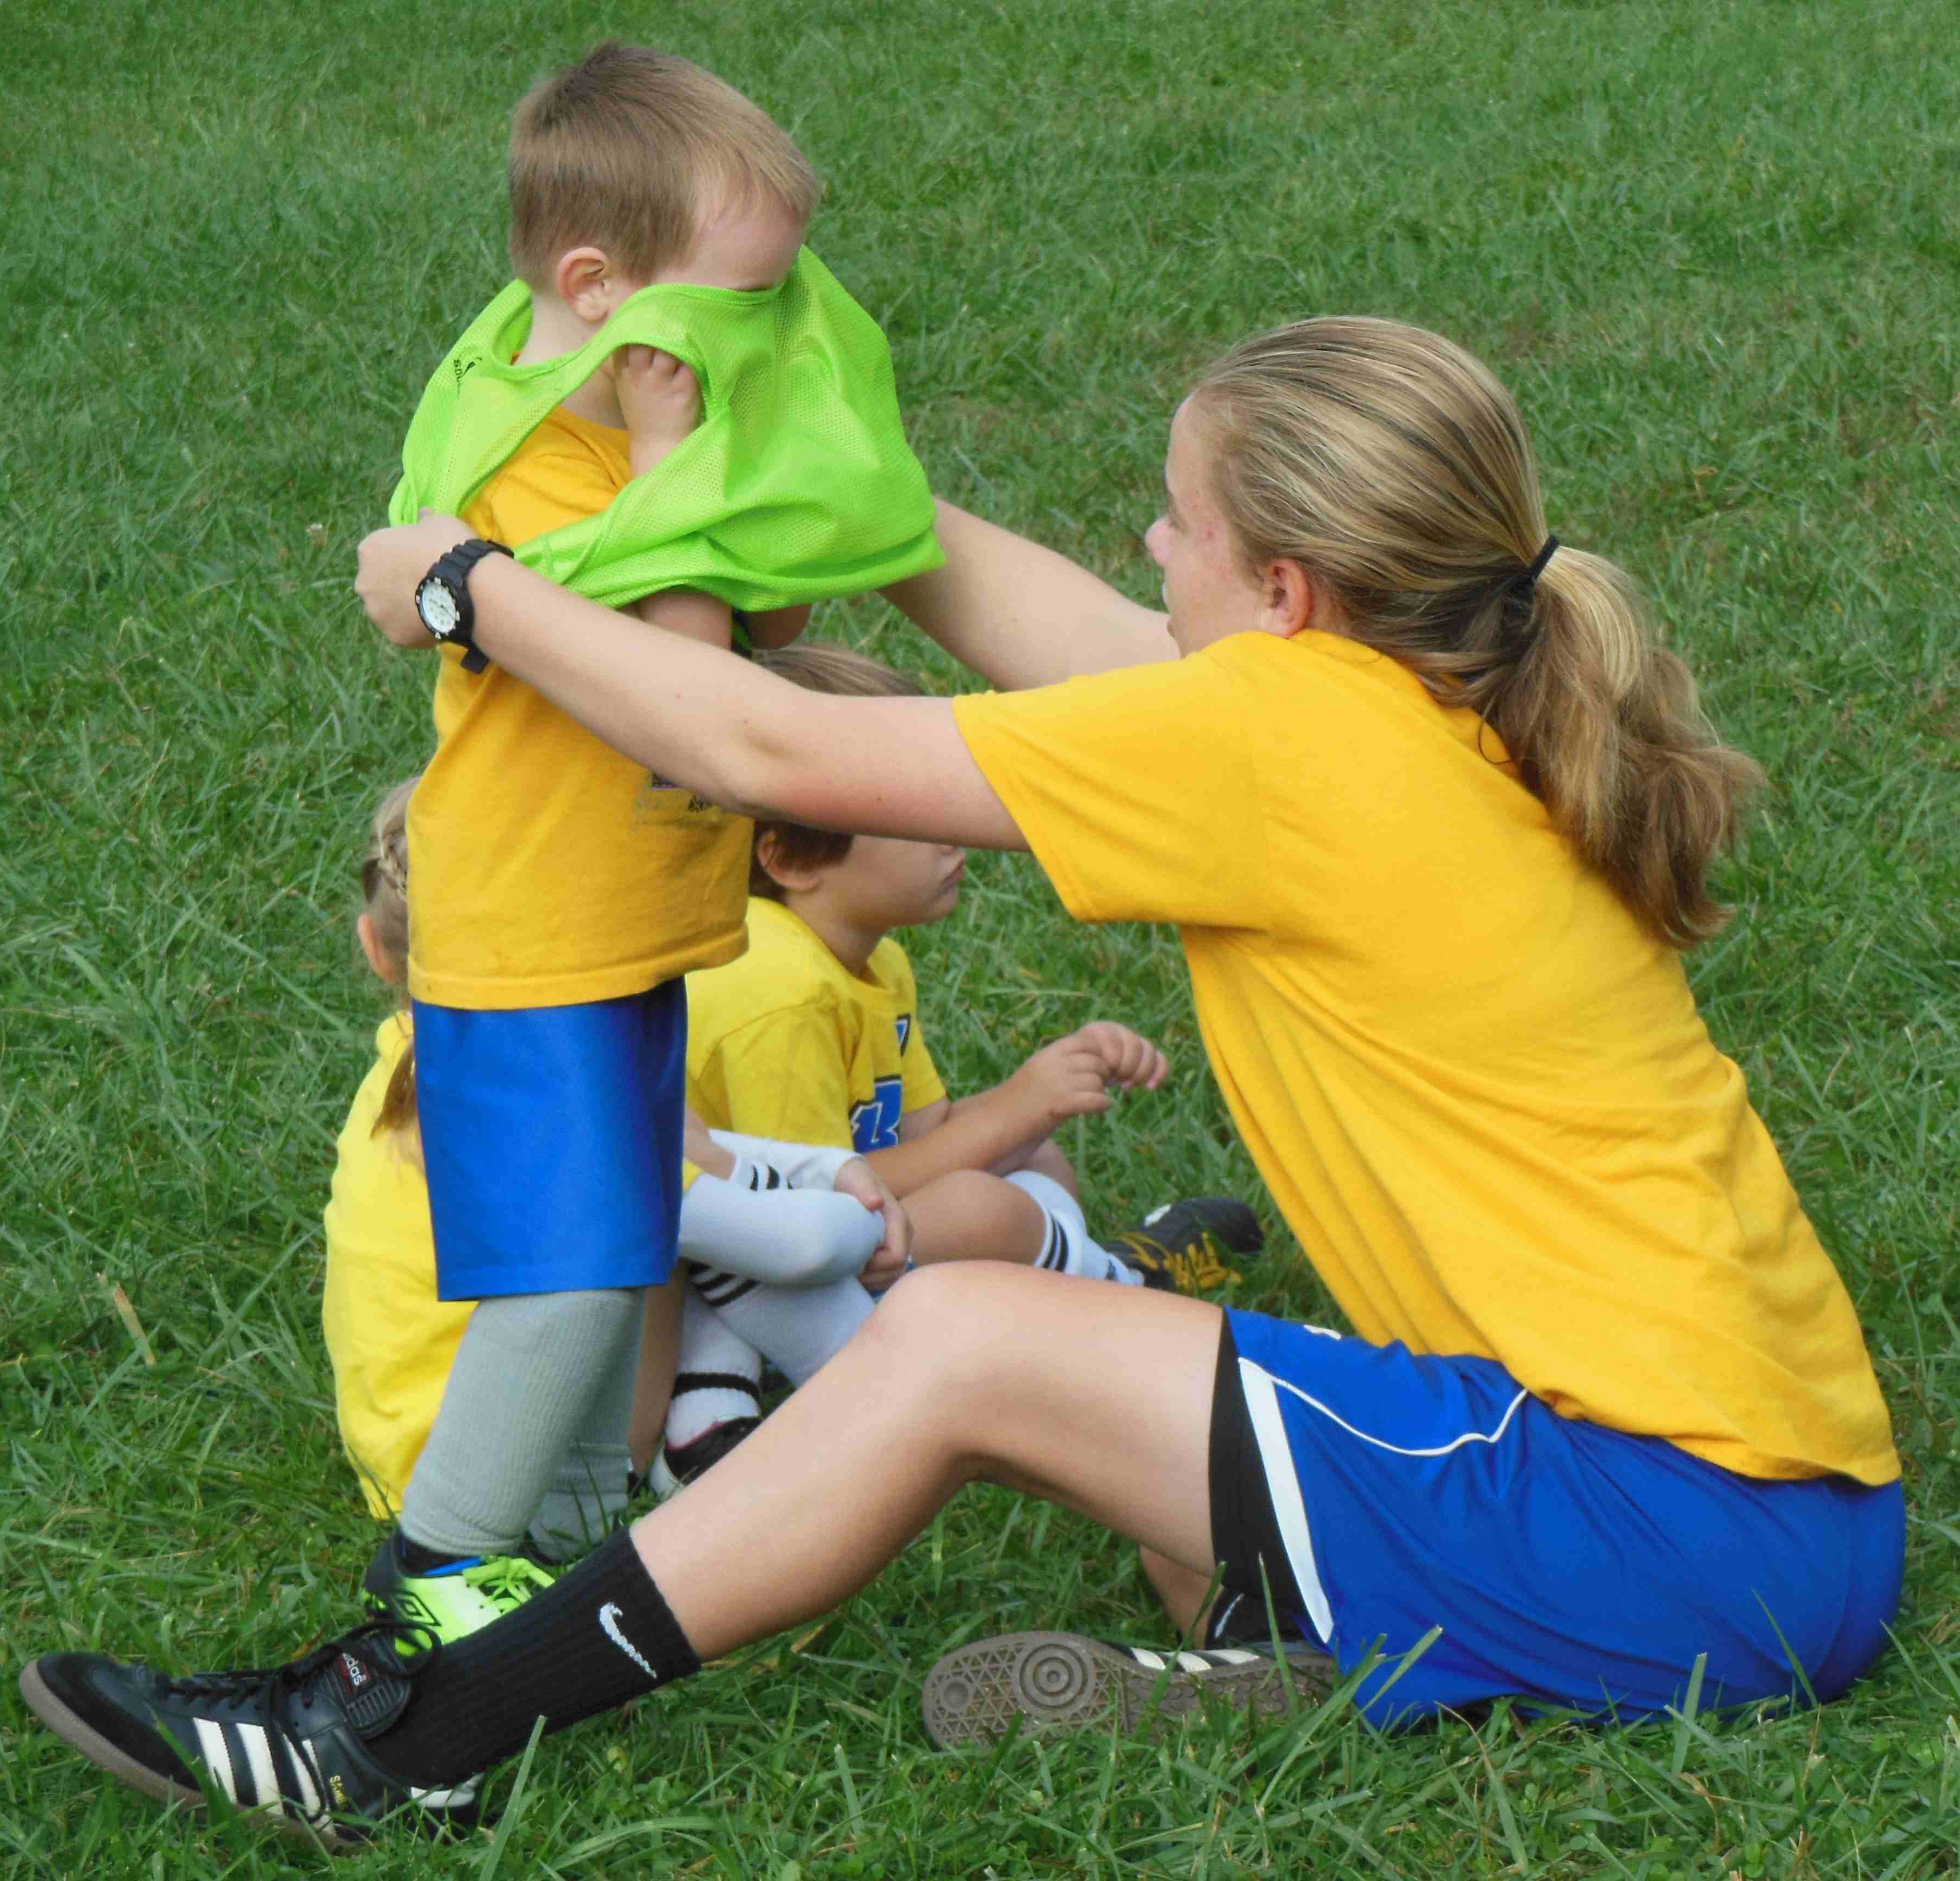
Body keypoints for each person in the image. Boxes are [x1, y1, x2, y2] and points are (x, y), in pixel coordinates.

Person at [20, 317, 1904, 1849]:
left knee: (965, 1344)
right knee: (1167, 1490)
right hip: (1776, 1515)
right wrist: (813, 466)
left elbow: (768, 750)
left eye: (1172, 521)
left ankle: (401, 1739)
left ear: (1284, 587)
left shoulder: (1281, 735)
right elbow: (1083, 643)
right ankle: (1312, 1656)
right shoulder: (1418, 699)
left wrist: (464, 587)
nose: (1143, 546)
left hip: (1683, 1528)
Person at [360, 42, 943, 1647]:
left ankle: (557, 1539)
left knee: (616, 1251)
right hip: (531, 930)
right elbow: (687, 683)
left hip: (621, 923)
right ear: (599, 291)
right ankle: (436, 1575)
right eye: (742, 300)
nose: (770, 327)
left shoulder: (616, 427)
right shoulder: (541, 466)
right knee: (561, 1274)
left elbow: (770, 622)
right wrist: (681, 473)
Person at [655, 643, 1263, 1492]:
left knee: (1034, 1163)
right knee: (986, 1204)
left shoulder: (870, 958)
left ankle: (1071, 1292)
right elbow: (818, 1201)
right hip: (736, 1278)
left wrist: (1037, 1099)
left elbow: (924, 1136)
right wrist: (1017, 1106)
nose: (953, 827)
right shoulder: (774, 988)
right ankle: (1130, 1294)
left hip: (833, 1233)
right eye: (910, 810)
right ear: (790, 858)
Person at [322, 776, 917, 1550]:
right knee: (683, 1223)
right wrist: (847, 1207)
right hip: (512, 1497)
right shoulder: (550, 1100)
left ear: (377, 950)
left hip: (413, 1461)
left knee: (677, 1195)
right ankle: (892, 1407)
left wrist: (821, 1169)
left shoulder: (418, 1068)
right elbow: (802, 1247)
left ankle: (781, 1403)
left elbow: (690, 1148)